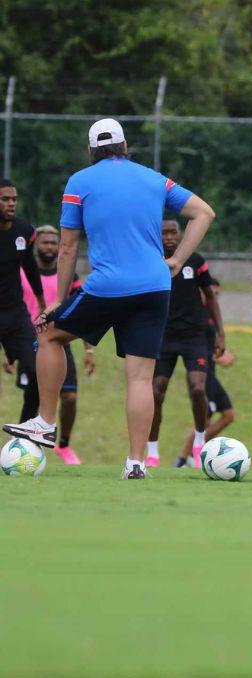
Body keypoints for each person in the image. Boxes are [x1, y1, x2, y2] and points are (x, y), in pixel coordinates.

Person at [3, 118, 216, 480]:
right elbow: (204, 212)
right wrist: (177, 260)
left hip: (108, 287)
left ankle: (45, 423)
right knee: (139, 377)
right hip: (154, 287)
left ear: (91, 150)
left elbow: (68, 246)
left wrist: (58, 299)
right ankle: (135, 463)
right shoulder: (153, 178)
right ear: (125, 146)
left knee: (49, 334)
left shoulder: (79, 182)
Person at [146, 216, 225, 469]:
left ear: (179, 234)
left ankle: (200, 441)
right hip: (163, 337)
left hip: (195, 336)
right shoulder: (151, 261)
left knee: (198, 388)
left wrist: (221, 334)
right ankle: (152, 450)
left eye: (173, 233)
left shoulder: (195, 261)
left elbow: (210, 298)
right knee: (156, 391)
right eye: (165, 233)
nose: (169, 237)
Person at [20, 225, 95, 464]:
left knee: (70, 397)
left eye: (54, 242)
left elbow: (83, 312)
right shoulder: (23, 273)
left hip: (59, 341)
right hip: (28, 341)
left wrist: (89, 350)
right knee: (33, 397)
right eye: (45, 242)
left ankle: (64, 445)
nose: (50, 247)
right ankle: (25, 446)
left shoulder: (68, 276)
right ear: (36, 246)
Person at [0, 179, 45, 425]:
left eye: (14, 199)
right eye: (5, 199)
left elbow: (30, 267)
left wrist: (41, 303)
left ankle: (24, 430)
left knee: (38, 373)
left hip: (16, 315)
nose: (11, 204)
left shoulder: (24, 231)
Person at [179, 278, 236, 464]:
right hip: (202, 375)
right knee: (205, 420)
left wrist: (222, 353)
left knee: (228, 415)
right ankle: (183, 460)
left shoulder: (211, 315)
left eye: (218, 294)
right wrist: (218, 357)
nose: (215, 297)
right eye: (212, 293)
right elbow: (194, 348)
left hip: (212, 375)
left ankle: (193, 453)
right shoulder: (195, 316)